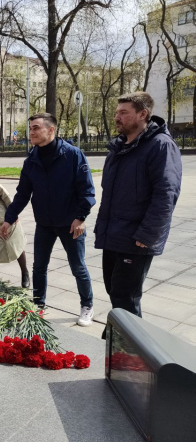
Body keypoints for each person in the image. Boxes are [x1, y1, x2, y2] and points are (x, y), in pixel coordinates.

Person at [95, 92, 182, 335]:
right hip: (113, 235)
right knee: (115, 291)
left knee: (126, 296)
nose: (117, 117)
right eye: (116, 112)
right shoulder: (119, 147)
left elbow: (166, 193)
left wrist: (149, 234)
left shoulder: (160, 146)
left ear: (142, 114)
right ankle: (121, 341)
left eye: (124, 112)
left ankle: (131, 353)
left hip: (137, 238)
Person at [0, 113, 97, 327]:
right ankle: (38, 305)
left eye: (35, 128)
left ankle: (87, 305)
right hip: (44, 223)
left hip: (71, 223)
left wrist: (80, 217)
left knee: (78, 267)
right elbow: (23, 194)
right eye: (31, 128)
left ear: (51, 130)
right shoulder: (31, 160)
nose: (31, 132)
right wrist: (9, 219)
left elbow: (87, 190)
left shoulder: (73, 155)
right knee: (39, 267)